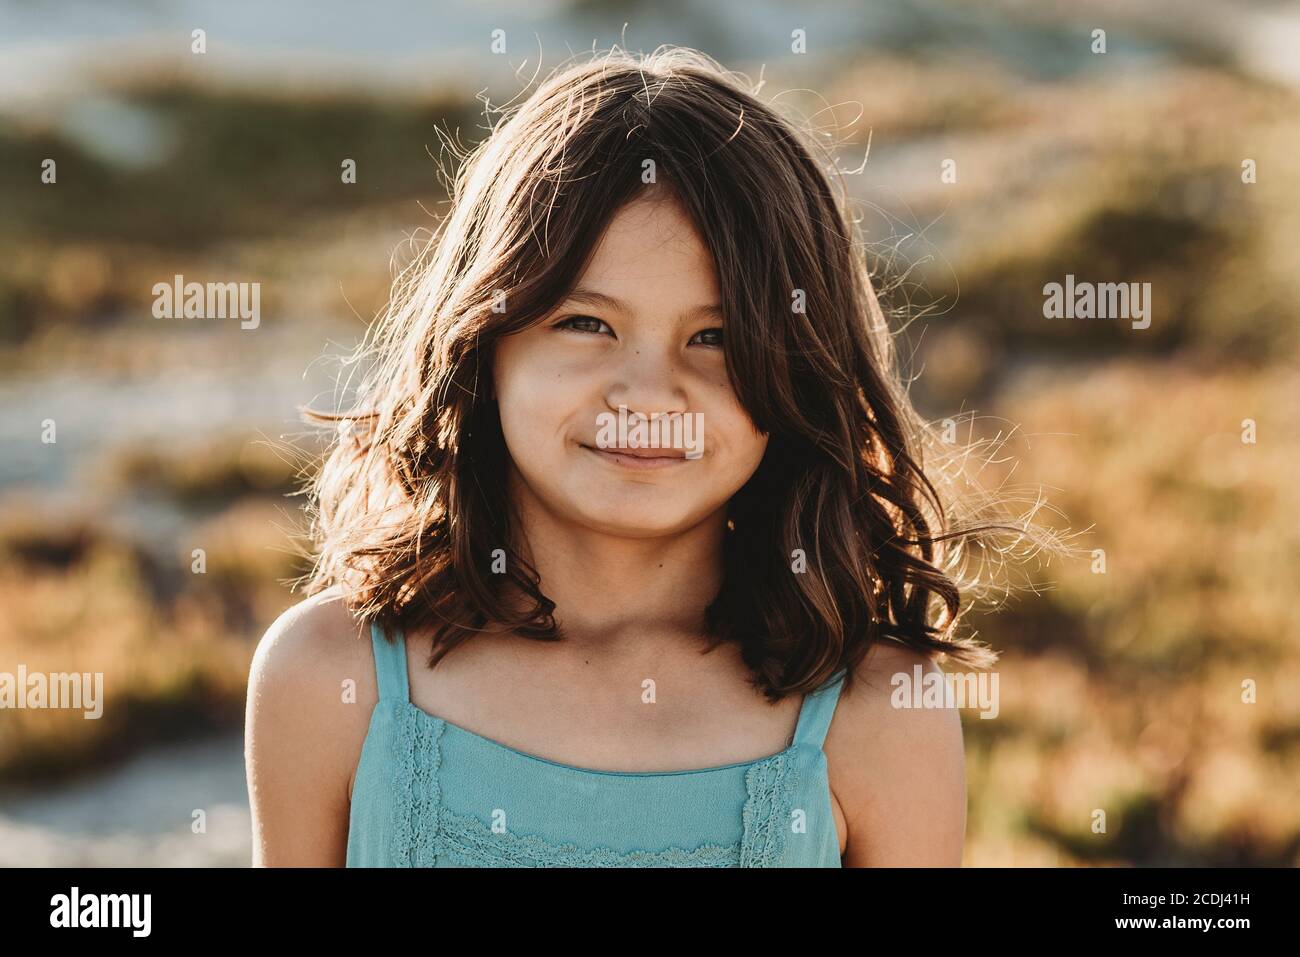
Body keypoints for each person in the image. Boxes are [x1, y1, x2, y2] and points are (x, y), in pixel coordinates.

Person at [246, 46, 1035, 867]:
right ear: (483, 344)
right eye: (587, 323)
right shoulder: (331, 681)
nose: (649, 393)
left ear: (796, 362)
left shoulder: (878, 714)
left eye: (716, 336)